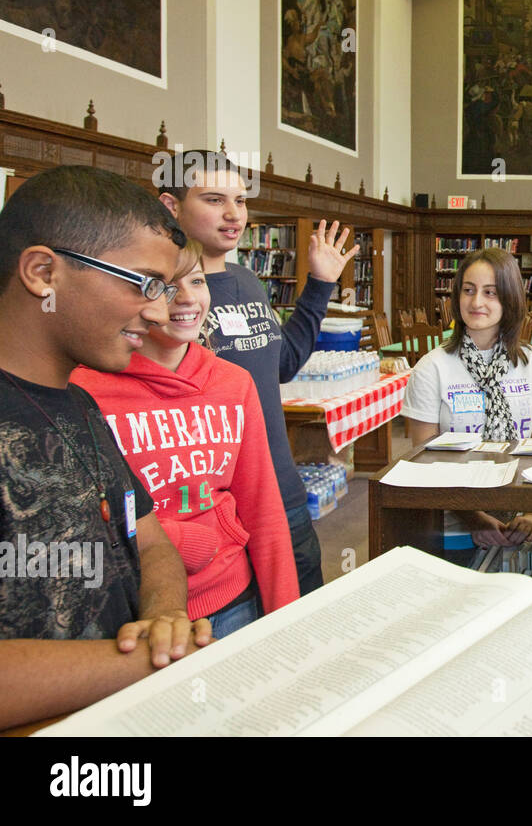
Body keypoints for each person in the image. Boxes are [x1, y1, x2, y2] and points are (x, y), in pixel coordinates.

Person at [0, 166, 211, 729]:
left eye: (164, 290)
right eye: (143, 284)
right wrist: (153, 662)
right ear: (43, 273)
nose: (162, 311)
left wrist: (165, 616)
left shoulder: (82, 406)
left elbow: (147, 539)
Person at [72, 240, 299, 638]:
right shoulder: (84, 388)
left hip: (231, 601)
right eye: (168, 286)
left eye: (197, 280)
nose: (189, 299)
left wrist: (287, 619)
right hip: (128, 615)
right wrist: (178, 539)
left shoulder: (234, 382)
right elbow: (78, 521)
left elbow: (262, 506)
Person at [157, 150, 357, 595]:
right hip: (219, 506)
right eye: (213, 200)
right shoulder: (166, 300)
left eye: (241, 201)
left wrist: (321, 284)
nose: (233, 215)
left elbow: (283, 365)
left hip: (283, 490)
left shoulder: (246, 280)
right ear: (172, 207)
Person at [402, 248, 532, 564]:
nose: (476, 302)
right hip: (453, 527)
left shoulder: (531, 363)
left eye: (490, 293)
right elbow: (425, 462)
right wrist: (474, 518)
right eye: (468, 291)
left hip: (524, 520)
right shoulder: (432, 368)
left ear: (509, 299)